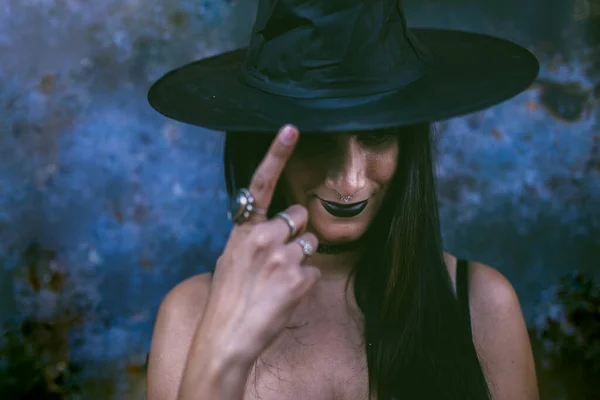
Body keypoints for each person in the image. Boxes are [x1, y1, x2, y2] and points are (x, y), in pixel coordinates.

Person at [145, 0, 540, 399]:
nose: (349, 180)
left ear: (408, 143)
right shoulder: (189, 315)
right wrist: (219, 355)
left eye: (376, 135)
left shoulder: (482, 305)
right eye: (316, 140)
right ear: (264, 141)